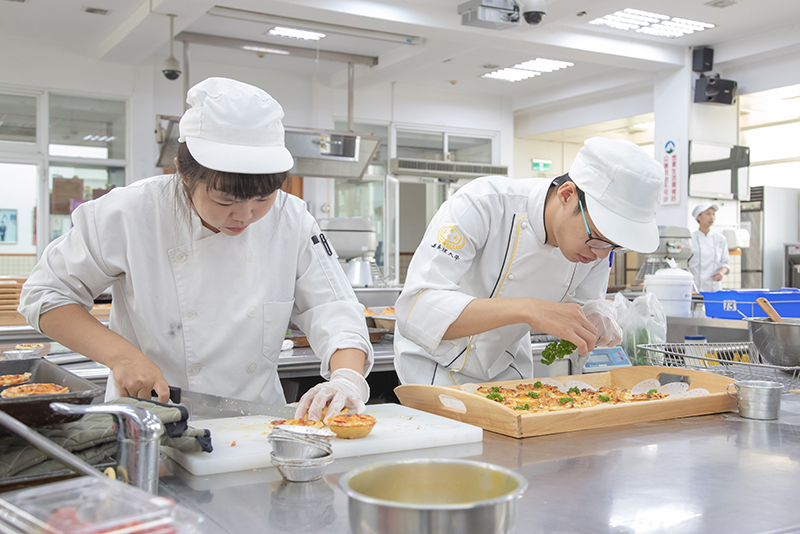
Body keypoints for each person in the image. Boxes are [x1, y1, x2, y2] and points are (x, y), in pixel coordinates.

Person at [19, 77, 372, 420]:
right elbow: (46, 295)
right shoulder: (129, 212)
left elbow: (333, 307)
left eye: (263, 198)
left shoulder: (290, 218)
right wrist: (120, 356)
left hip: (257, 420)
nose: (245, 215)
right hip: (151, 419)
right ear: (183, 174)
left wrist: (346, 377)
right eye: (225, 200)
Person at [394, 137, 663, 386]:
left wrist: (596, 313)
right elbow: (417, 308)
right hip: (433, 367)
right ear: (567, 195)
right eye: (598, 238)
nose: (602, 254)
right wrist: (528, 309)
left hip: (508, 370)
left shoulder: (594, 248)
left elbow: (584, 301)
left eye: (614, 246)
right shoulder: (483, 204)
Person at [688, 202, 730, 292]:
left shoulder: (720, 239)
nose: (712, 217)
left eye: (713, 214)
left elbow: (725, 263)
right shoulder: (690, 238)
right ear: (698, 217)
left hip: (714, 288)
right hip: (695, 287)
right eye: (708, 214)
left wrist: (721, 273)